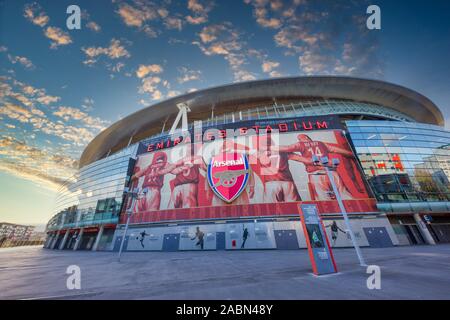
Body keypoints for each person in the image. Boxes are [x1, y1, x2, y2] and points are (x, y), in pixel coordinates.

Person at [276, 134, 355, 201]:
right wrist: (354, 155)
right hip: (332, 172)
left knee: (323, 198)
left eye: (300, 138)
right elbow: (339, 150)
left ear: (306, 138)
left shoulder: (300, 144)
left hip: (316, 174)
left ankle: (330, 217)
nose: (299, 140)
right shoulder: (321, 143)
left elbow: (287, 148)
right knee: (344, 194)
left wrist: (268, 147)